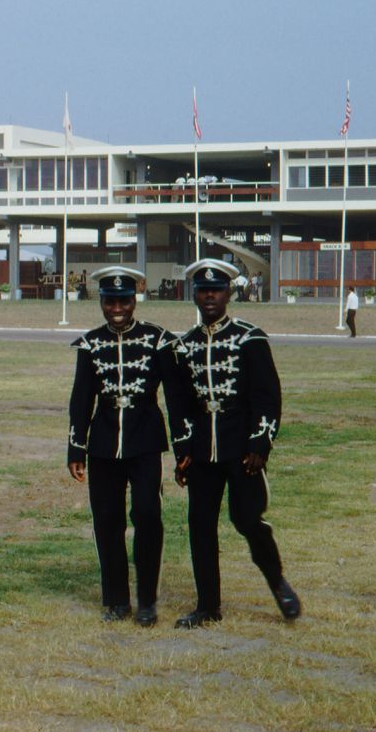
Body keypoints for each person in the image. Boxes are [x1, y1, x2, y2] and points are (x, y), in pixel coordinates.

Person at [169, 258, 300, 628]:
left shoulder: (249, 337)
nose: (210, 296)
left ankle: (278, 584)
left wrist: (261, 442)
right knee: (200, 527)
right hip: (201, 453)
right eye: (203, 290)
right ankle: (207, 606)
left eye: (217, 289)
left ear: (229, 293)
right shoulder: (184, 346)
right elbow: (178, 404)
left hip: (241, 449)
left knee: (247, 519)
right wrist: (182, 451)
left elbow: (267, 395)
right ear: (193, 294)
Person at [67, 266, 181, 625]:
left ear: (135, 300)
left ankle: (146, 599)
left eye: (124, 300)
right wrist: (76, 448)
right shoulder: (90, 342)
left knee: (147, 515)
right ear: (101, 302)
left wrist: (184, 448)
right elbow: (81, 398)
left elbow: (176, 398)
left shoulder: (157, 339)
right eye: (110, 300)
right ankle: (116, 599)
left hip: (145, 440)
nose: (117, 307)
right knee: (107, 522)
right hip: (102, 444)